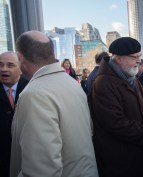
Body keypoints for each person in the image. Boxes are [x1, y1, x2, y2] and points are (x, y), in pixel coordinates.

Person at [10, 30, 98, 177]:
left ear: (20, 57)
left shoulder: (34, 94)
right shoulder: (72, 83)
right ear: (51, 53)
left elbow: (41, 170)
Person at [89, 37, 143, 177]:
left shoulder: (130, 77)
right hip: (119, 159)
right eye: (134, 57)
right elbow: (115, 123)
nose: (139, 61)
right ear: (118, 58)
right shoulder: (103, 83)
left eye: (139, 56)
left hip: (137, 152)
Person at [0, 51, 28, 177]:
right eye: (0, 65)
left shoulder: (30, 89)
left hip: (26, 159)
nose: (4, 69)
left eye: (10, 65)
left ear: (21, 68)